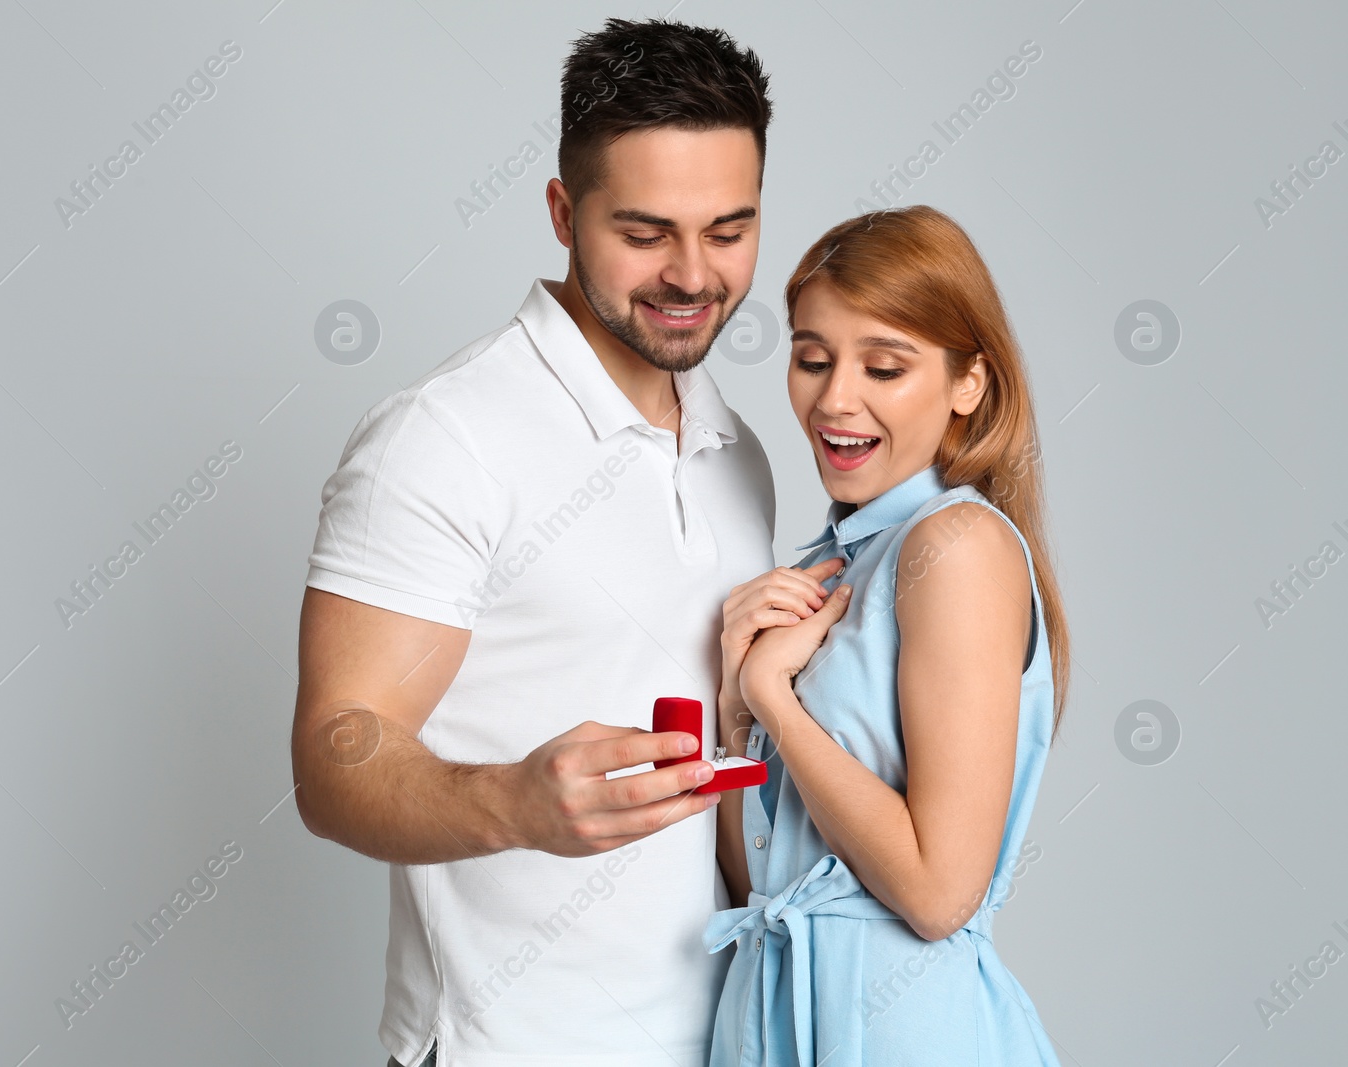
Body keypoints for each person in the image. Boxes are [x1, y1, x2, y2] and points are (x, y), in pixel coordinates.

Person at [291, 18, 824, 1067]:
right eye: (643, 231)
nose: (690, 273)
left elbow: (716, 782)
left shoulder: (739, 451)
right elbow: (331, 753)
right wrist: (514, 801)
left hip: (714, 1039)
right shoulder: (444, 437)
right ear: (561, 212)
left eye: (728, 229)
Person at [706, 204, 1072, 1066]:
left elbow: (939, 892)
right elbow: (751, 881)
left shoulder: (955, 546)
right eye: (812, 358)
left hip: (895, 1029)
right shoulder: (836, 564)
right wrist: (734, 708)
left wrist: (774, 704)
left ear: (968, 383)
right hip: (769, 1016)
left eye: (884, 366)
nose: (836, 399)